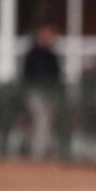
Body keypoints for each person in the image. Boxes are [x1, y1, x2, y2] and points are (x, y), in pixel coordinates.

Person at [22, 25, 62, 160]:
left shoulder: (52, 56)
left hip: (50, 94)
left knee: (48, 123)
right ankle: (38, 153)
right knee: (41, 120)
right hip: (35, 93)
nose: (48, 38)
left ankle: (47, 152)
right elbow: (26, 76)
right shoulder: (32, 54)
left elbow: (57, 77)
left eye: (50, 35)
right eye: (45, 35)